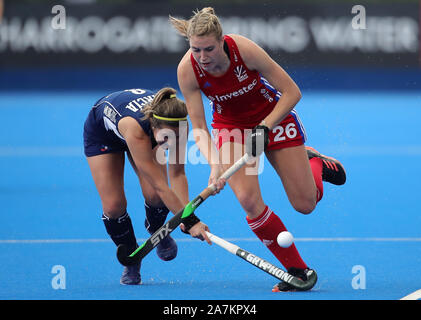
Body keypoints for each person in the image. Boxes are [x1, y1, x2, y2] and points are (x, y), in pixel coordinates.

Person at [170, 8, 346, 291]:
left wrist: (264, 127)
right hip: (231, 126)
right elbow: (200, 128)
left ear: (222, 40)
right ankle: (297, 271)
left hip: (274, 116)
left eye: (209, 49)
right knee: (248, 201)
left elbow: (292, 92)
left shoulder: (244, 50)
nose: (202, 57)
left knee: (305, 204)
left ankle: (315, 163)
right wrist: (215, 166)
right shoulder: (187, 70)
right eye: (196, 49)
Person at [83, 87, 211, 285]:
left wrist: (185, 217)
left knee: (155, 197)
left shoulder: (178, 126)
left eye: (176, 137)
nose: (171, 144)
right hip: (103, 134)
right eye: (166, 138)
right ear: (153, 125)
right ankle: (133, 256)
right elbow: (161, 185)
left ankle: (157, 229)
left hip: (143, 131)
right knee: (114, 206)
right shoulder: (138, 130)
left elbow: (177, 174)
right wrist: (192, 221)